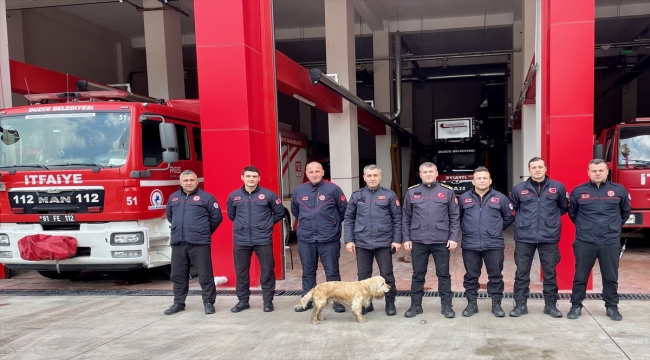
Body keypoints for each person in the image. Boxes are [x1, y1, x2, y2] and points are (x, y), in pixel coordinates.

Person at [567, 159, 631, 321]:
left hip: (610, 241)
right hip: (585, 240)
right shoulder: (578, 191)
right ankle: (576, 306)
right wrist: (586, 228)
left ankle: (612, 307)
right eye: (594, 170)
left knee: (610, 276)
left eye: (601, 170)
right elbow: (573, 213)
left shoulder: (619, 190)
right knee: (580, 275)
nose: (597, 173)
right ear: (588, 172)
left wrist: (612, 227)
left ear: (607, 172)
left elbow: (625, 213)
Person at [508, 157, 568, 318]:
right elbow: (512, 208)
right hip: (524, 237)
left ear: (545, 168)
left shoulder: (558, 187)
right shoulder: (519, 189)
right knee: (521, 273)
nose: (537, 170)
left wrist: (549, 221)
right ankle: (520, 305)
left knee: (550, 272)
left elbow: (563, 208)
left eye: (540, 167)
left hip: (549, 237)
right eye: (534, 167)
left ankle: (551, 305)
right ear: (529, 170)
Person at [402, 162, 459, 319]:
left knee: (443, 274)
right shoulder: (412, 192)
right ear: (420, 175)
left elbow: (454, 216)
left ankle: (447, 306)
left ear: (436, 174)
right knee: (418, 274)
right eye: (425, 172)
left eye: (431, 171)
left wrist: (453, 237)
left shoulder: (447, 192)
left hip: (441, 240)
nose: (428, 174)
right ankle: (415, 306)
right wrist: (406, 238)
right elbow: (405, 217)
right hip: (418, 240)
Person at [344, 164, 402, 316]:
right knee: (363, 277)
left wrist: (397, 240)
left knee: (387, 274)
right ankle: (366, 303)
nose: (372, 178)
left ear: (380, 177)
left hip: (383, 242)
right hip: (362, 242)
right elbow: (349, 218)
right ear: (364, 178)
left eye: (375, 175)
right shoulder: (357, 195)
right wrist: (349, 240)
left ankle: (390, 303)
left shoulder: (389, 195)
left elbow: (397, 219)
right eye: (369, 176)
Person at [226, 165, 285, 313]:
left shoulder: (269, 195)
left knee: (267, 271)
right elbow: (231, 215)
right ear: (242, 177)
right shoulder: (234, 196)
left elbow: (280, 213)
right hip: (241, 240)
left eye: (254, 176)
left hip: (263, 239)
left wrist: (266, 224)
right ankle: (243, 301)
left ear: (259, 178)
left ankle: (268, 302)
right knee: (241, 272)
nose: (251, 179)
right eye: (248, 176)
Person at [291, 162, 348, 313]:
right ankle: (307, 300)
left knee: (332, 271)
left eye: (317, 171)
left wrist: (331, 224)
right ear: (306, 173)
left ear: (323, 172)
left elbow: (343, 210)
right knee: (308, 271)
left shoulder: (333, 189)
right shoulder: (299, 190)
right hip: (306, 239)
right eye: (311, 172)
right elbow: (295, 211)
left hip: (328, 238)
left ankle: (337, 300)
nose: (314, 174)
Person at [458, 166, 515, 318]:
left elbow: (509, 216)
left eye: (485, 178)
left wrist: (496, 229)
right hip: (470, 244)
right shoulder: (463, 198)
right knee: (471, 276)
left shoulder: (500, 198)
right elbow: (457, 217)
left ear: (490, 180)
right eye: (479, 178)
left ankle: (496, 305)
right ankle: (471, 305)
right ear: (473, 181)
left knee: (495, 275)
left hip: (494, 244)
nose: (482, 180)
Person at [164, 170, 223, 315]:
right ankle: (178, 303)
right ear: (180, 182)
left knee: (205, 274)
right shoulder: (173, 198)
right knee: (178, 275)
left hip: (199, 243)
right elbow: (170, 216)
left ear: (197, 181)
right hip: (178, 243)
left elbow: (217, 218)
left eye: (192, 180)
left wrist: (203, 232)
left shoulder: (207, 198)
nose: (189, 183)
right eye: (185, 180)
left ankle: (208, 303)